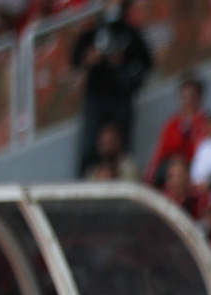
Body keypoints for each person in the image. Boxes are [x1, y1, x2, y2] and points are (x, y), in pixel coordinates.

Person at [73, 0, 153, 173]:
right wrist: (89, 60)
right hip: (96, 97)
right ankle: (88, 179)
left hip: (121, 97)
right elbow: (76, 59)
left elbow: (146, 63)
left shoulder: (130, 33)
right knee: (91, 144)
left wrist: (125, 69)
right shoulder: (92, 32)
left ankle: (124, 179)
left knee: (122, 144)